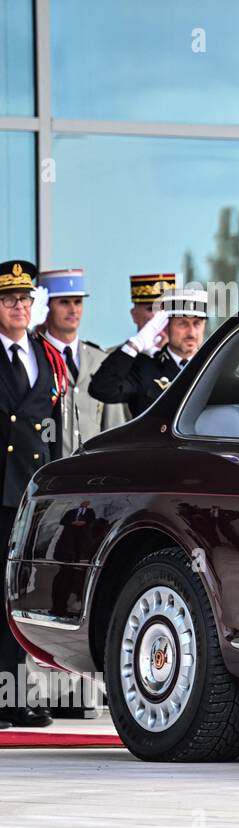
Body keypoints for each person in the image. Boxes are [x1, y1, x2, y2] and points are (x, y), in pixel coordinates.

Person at [0, 259, 66, 729]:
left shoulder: (46, 355)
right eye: (8, 300)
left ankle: (15, 697)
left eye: (25, 299)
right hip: (0, 487)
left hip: (32, 492)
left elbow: (55, 426)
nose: (19, 307)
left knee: (19, 596)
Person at [35, 269, 128, 455]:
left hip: (91, 474)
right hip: (47, 469)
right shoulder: (35, 356)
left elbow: (114, 427)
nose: (73, 309)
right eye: (64, 302)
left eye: (78, 302)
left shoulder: (100, 358)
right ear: (46, 306)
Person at [89, 287, 208, 418]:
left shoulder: (211, 367)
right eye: (183, 324)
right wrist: (134, 345)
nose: (191, 333)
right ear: (166, 326)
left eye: (197, 323)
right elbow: (101, 389)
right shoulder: (145, 368)